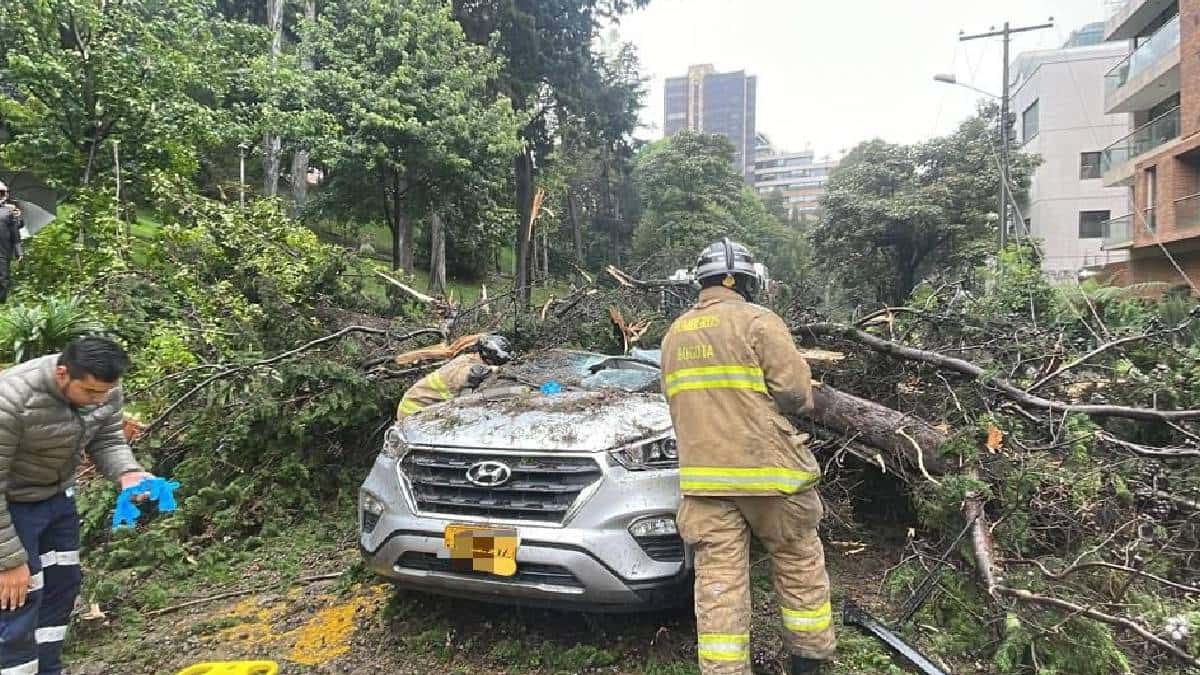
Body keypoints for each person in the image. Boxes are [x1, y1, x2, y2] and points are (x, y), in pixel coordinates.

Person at [661, 239, 834, 675]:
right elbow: (795, 394)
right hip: (771, 475)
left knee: (719, 586)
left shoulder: (674, 334)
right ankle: (808, 663)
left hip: (704, 483)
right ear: (744, 281)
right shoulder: (758, 321)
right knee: (798, 563)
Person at [0, 336, 154, 675]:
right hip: (11, 506)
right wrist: (8, 562)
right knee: (18, 597)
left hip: (57, 500)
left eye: (105, 392)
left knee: (62, 584)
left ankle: (48, 669)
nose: (98, 400)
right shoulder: (11, 399)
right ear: (62, 374)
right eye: (90, 392)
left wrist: (127, 473)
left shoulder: (105, 389)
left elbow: (107, 439)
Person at [396, 334, 513, 419]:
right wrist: (496, 370)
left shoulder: (469, 358)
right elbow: (474, 374)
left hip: (422, 404)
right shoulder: (467, 369)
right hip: (413, 410)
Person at [0, 182, 23, 303]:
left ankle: (1, 303)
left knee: (3, 277)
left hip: (3, 250)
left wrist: (19, 251)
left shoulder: (9, 211)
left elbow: (15, 231)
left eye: (3, 193)